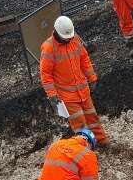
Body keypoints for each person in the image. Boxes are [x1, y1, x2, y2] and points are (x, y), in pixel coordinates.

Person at [40, 16, 107, 146]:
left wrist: (92, 78)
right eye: (66, 38)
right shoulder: (48, 48)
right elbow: (46, 75)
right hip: (67, 95)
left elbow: (84, 60)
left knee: (92, 117)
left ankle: (101, 139)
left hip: (82, 90)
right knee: (80, 123)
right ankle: (85, 148)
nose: (68, 39)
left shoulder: (75, 39)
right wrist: (52, 96)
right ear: (57, 33)